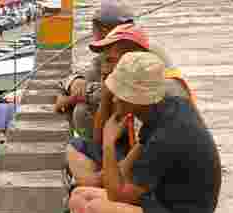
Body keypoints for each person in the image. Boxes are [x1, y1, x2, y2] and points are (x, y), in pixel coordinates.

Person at [68, 52, 221, 213]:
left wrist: (108, 145)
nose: (114, 98)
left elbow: (117, 196)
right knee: (79, 195)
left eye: (120, 93)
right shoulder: (166, 108)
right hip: (160, 202)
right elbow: (124, 171)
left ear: (138, 98)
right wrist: (101, 177)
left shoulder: (167, 135)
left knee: (94, 210)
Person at [65, 24, 195, 188]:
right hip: (139, 154)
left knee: (85, 198)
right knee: (78, 147)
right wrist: (107, 95)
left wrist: (103, 178)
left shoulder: (161, 93)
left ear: (131, 58)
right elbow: (100, 143)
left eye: (110, 60)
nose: (104, 68)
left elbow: (148, 154)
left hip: (163, 177)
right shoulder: (129, 84)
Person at [54, 0, 135, 140]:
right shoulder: (110, 52)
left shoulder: (130, 54)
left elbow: (110, 93)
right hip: (125, 116)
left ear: (103, 31)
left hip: (134, 121)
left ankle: (96, 151)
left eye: (93, 30)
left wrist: (73, 97)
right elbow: (76, 77)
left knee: (81, 111)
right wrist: (74, 84)